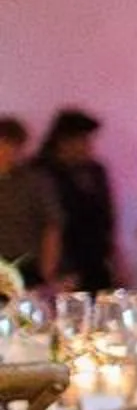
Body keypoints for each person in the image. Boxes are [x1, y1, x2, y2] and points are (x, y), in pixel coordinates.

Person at [40, 110, 114, 293]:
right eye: (83, 140)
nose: (89, 146)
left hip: (96, 262)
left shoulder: (95, 171)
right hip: (62, 264)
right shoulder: (43, 173)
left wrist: (112, 256)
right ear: (64, 141)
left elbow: (106, 217)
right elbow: (48, 223)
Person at [0, 118, 61, 287]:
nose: (5, 151)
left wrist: (47, 270)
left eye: (11, 145)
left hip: (24, 264)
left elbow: (52, 225)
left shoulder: (34, 181)